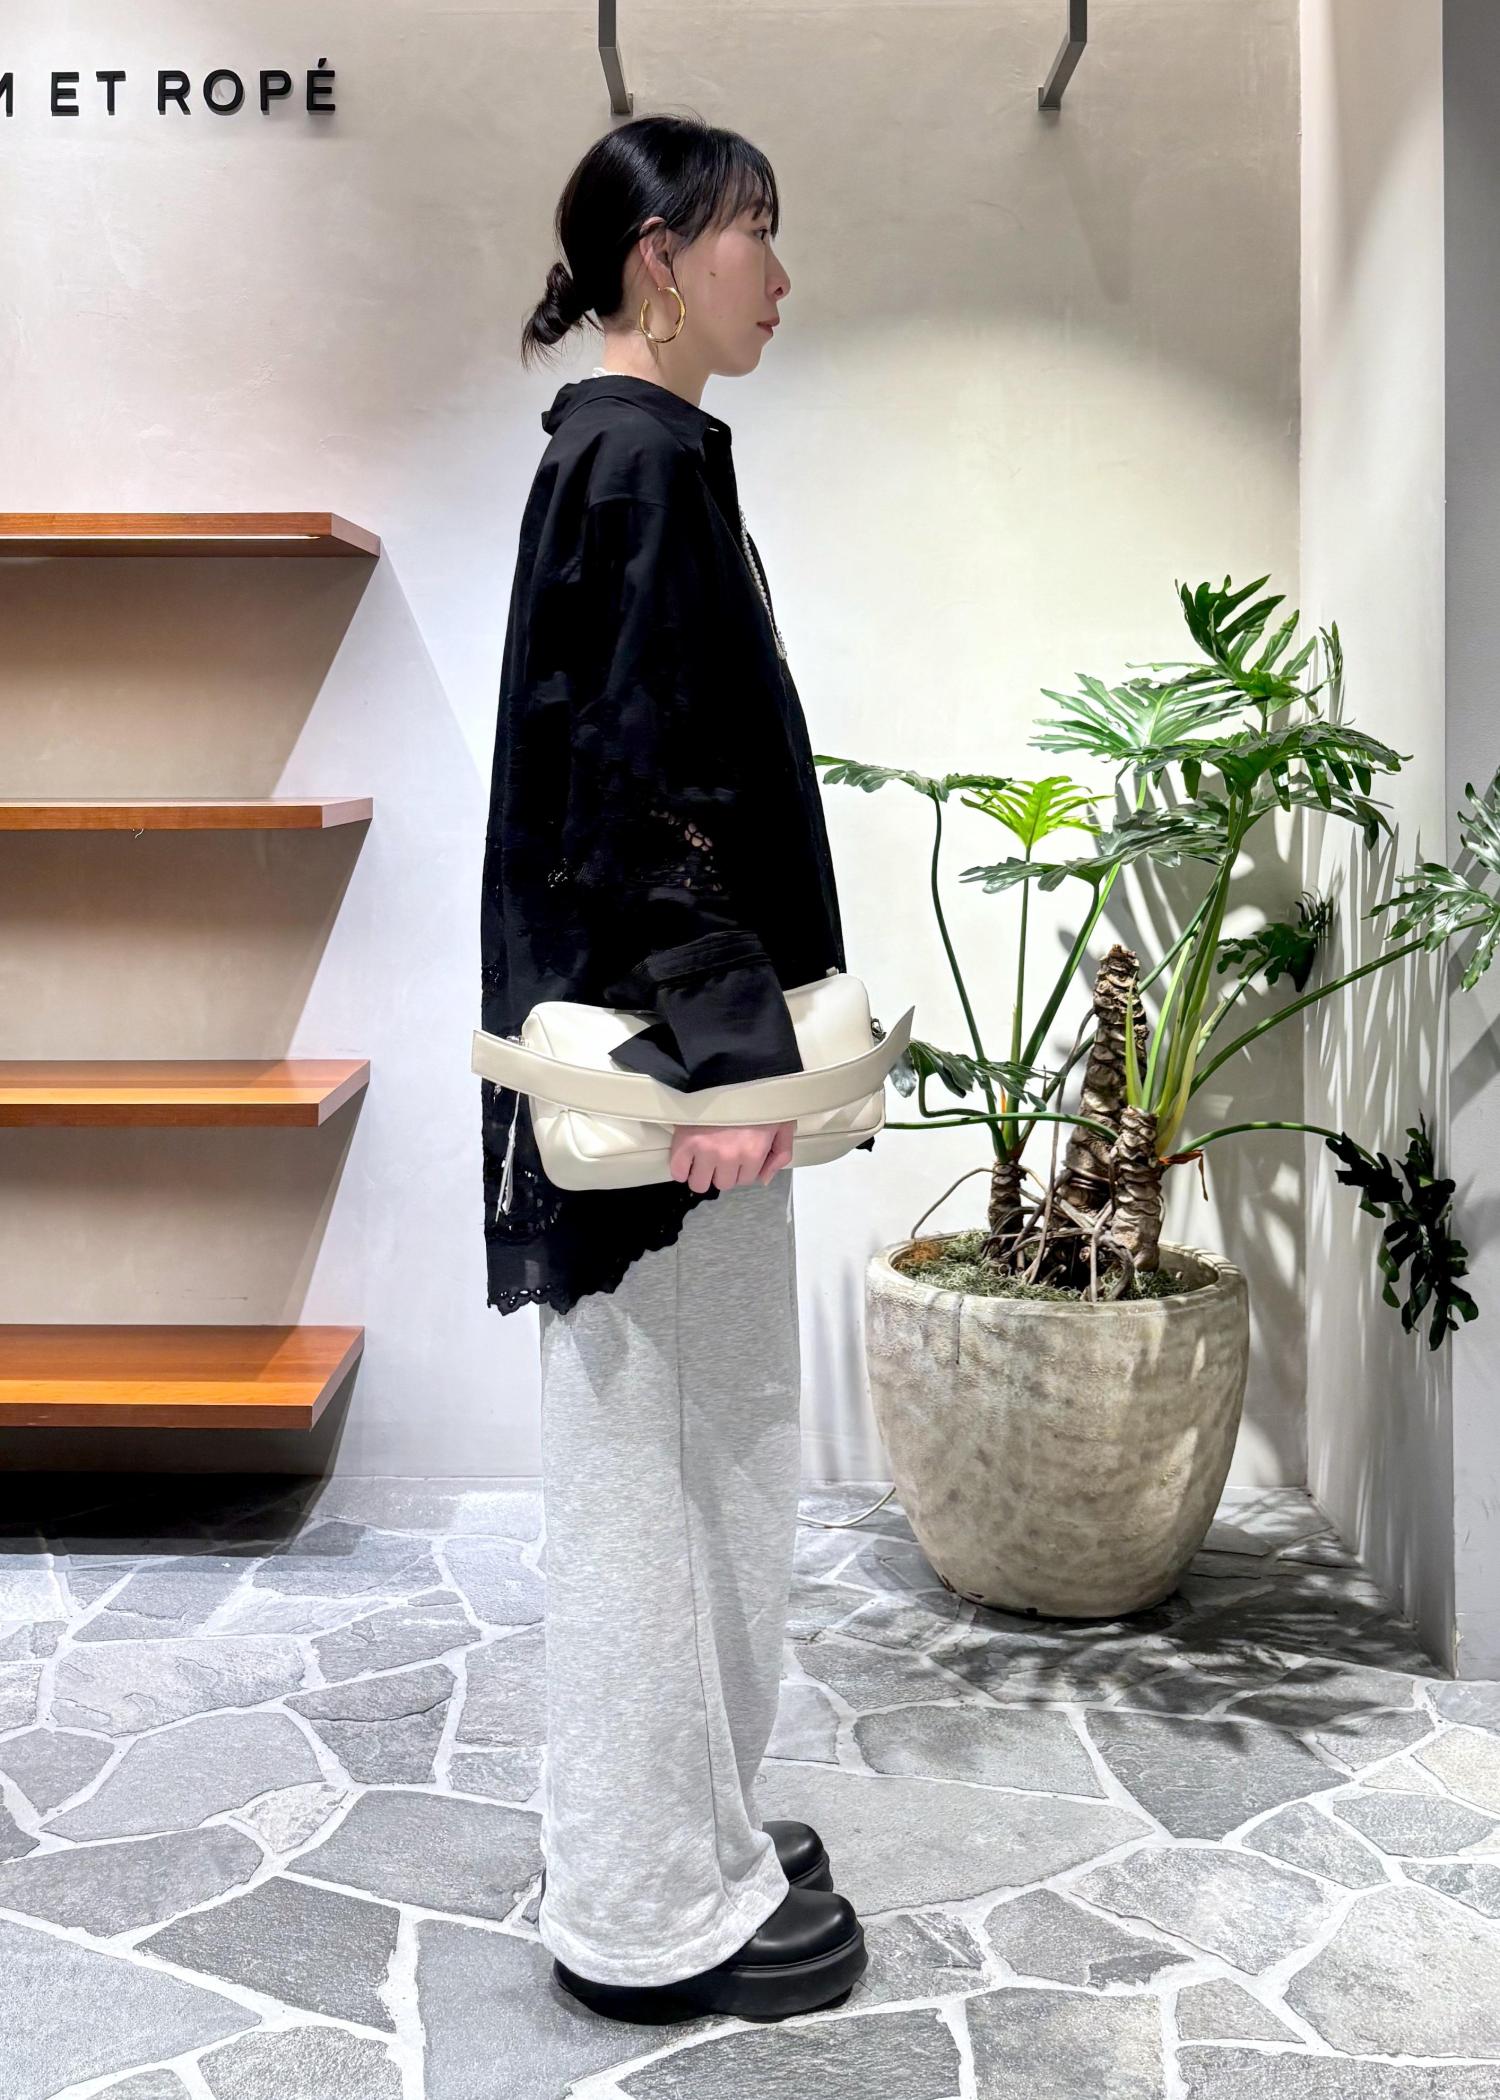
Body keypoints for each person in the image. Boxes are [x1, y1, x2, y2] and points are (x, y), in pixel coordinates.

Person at [480, 112, 872, 2023]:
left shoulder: (639, 453)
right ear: (659, 255)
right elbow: (633, 787)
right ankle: (643, 1913)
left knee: (709, 1465)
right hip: (672, 1081)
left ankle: (687, 1822)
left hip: (679, 1062)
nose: (777, 277)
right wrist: (720, 1061)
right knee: (659, 1478)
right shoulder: (636, 458)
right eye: (751, 235)